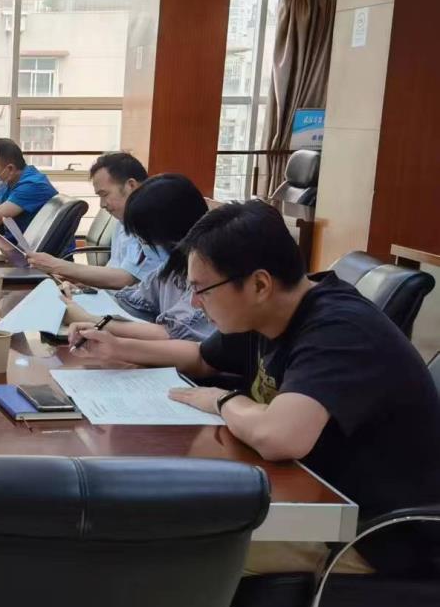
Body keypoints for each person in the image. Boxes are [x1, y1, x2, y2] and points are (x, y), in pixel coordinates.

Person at [71, 201, 440, 575]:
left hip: (375, 539)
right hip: (309, 499)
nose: (194, 302)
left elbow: (278, 437)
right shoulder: (270, 310)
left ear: (259, 284)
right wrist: (116, 346)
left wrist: (224, 400)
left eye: (202, 289)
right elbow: (201, 357)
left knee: (148, 547)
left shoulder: (340, 329)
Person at [62, 173, 215, 343]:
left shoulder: (210, 274)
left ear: (171, 232)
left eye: (146, 239)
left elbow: (171, 334)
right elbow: (133, 302)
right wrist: (80, 297)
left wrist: (91, 321)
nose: (143, 245)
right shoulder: (173, 266)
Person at [27, 152, 166, 289]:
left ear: (131, 185)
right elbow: (114, 269)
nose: (102, 204)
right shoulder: (123, 221)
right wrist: (81, 281)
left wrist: (57, 266)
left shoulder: (154, 223)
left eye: (104, 194)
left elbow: (126, 279)